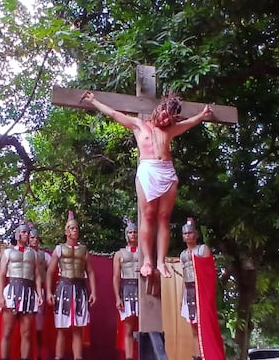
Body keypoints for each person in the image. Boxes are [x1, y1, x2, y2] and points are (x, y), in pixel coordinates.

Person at [81, 90, 213, 278]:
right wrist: (94, 101)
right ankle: (148, 261)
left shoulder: (169, 130)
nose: (166, 120)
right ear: (159, 109)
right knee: (148, 216)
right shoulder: (138, 125)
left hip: (166, 171)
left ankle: (160, 261)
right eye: (165, 115)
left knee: (164, 217)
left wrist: (201, 115)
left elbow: (188, 123)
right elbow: (114, 114)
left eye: (170, 119)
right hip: (148, 170)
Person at [46, 212, 97, 360]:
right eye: (72, 228)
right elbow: (50, 272)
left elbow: (90, 271)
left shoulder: (83, 250)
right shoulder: (59, 249)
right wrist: (49, 292)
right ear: (66, 231)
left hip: (80, 289)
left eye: (76, 228)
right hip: (64, 289)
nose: (75, 231)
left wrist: (94, 292)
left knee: (77, 330)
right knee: (61, 330)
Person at [177, 218, 228, 360]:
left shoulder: (202, 250)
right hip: (190, 292)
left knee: (209, 327)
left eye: (190, 232)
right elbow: (184, 277)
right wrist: (182, 297)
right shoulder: (183, 254)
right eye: (185, 233)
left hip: (202, 293)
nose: (188, 235)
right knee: (194, 330)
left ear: (196, 234)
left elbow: (208, 274)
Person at [0, 223, 43, 360]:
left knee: (27, 333)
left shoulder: (33, 254)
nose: (26, 235)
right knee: (7, 332)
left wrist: (39, 293)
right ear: (17, 234)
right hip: (12, 292)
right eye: (23, 232)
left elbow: (37, 275)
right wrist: (1, 296)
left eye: (27, 232)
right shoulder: (8, 252)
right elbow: (2, 274)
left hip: (28, 292)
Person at [113, 218, 140, 360]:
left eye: (135, 232)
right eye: (130, 232)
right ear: (126, 235)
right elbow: (116, 277)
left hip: (141, 291)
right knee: (128, 329)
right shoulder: (119, 254)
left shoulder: (144, 252)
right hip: (127, 290)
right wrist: (117, 297)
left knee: (145, 329)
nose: (133, 234)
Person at [29, 226, 51, 360]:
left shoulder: (45, 257)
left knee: (37, 330)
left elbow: (51, 273)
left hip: (39, 294)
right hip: (23, 290)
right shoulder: (20, 254)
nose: (35, 240)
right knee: (22, 330)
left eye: (37, 237)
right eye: (32, 237)